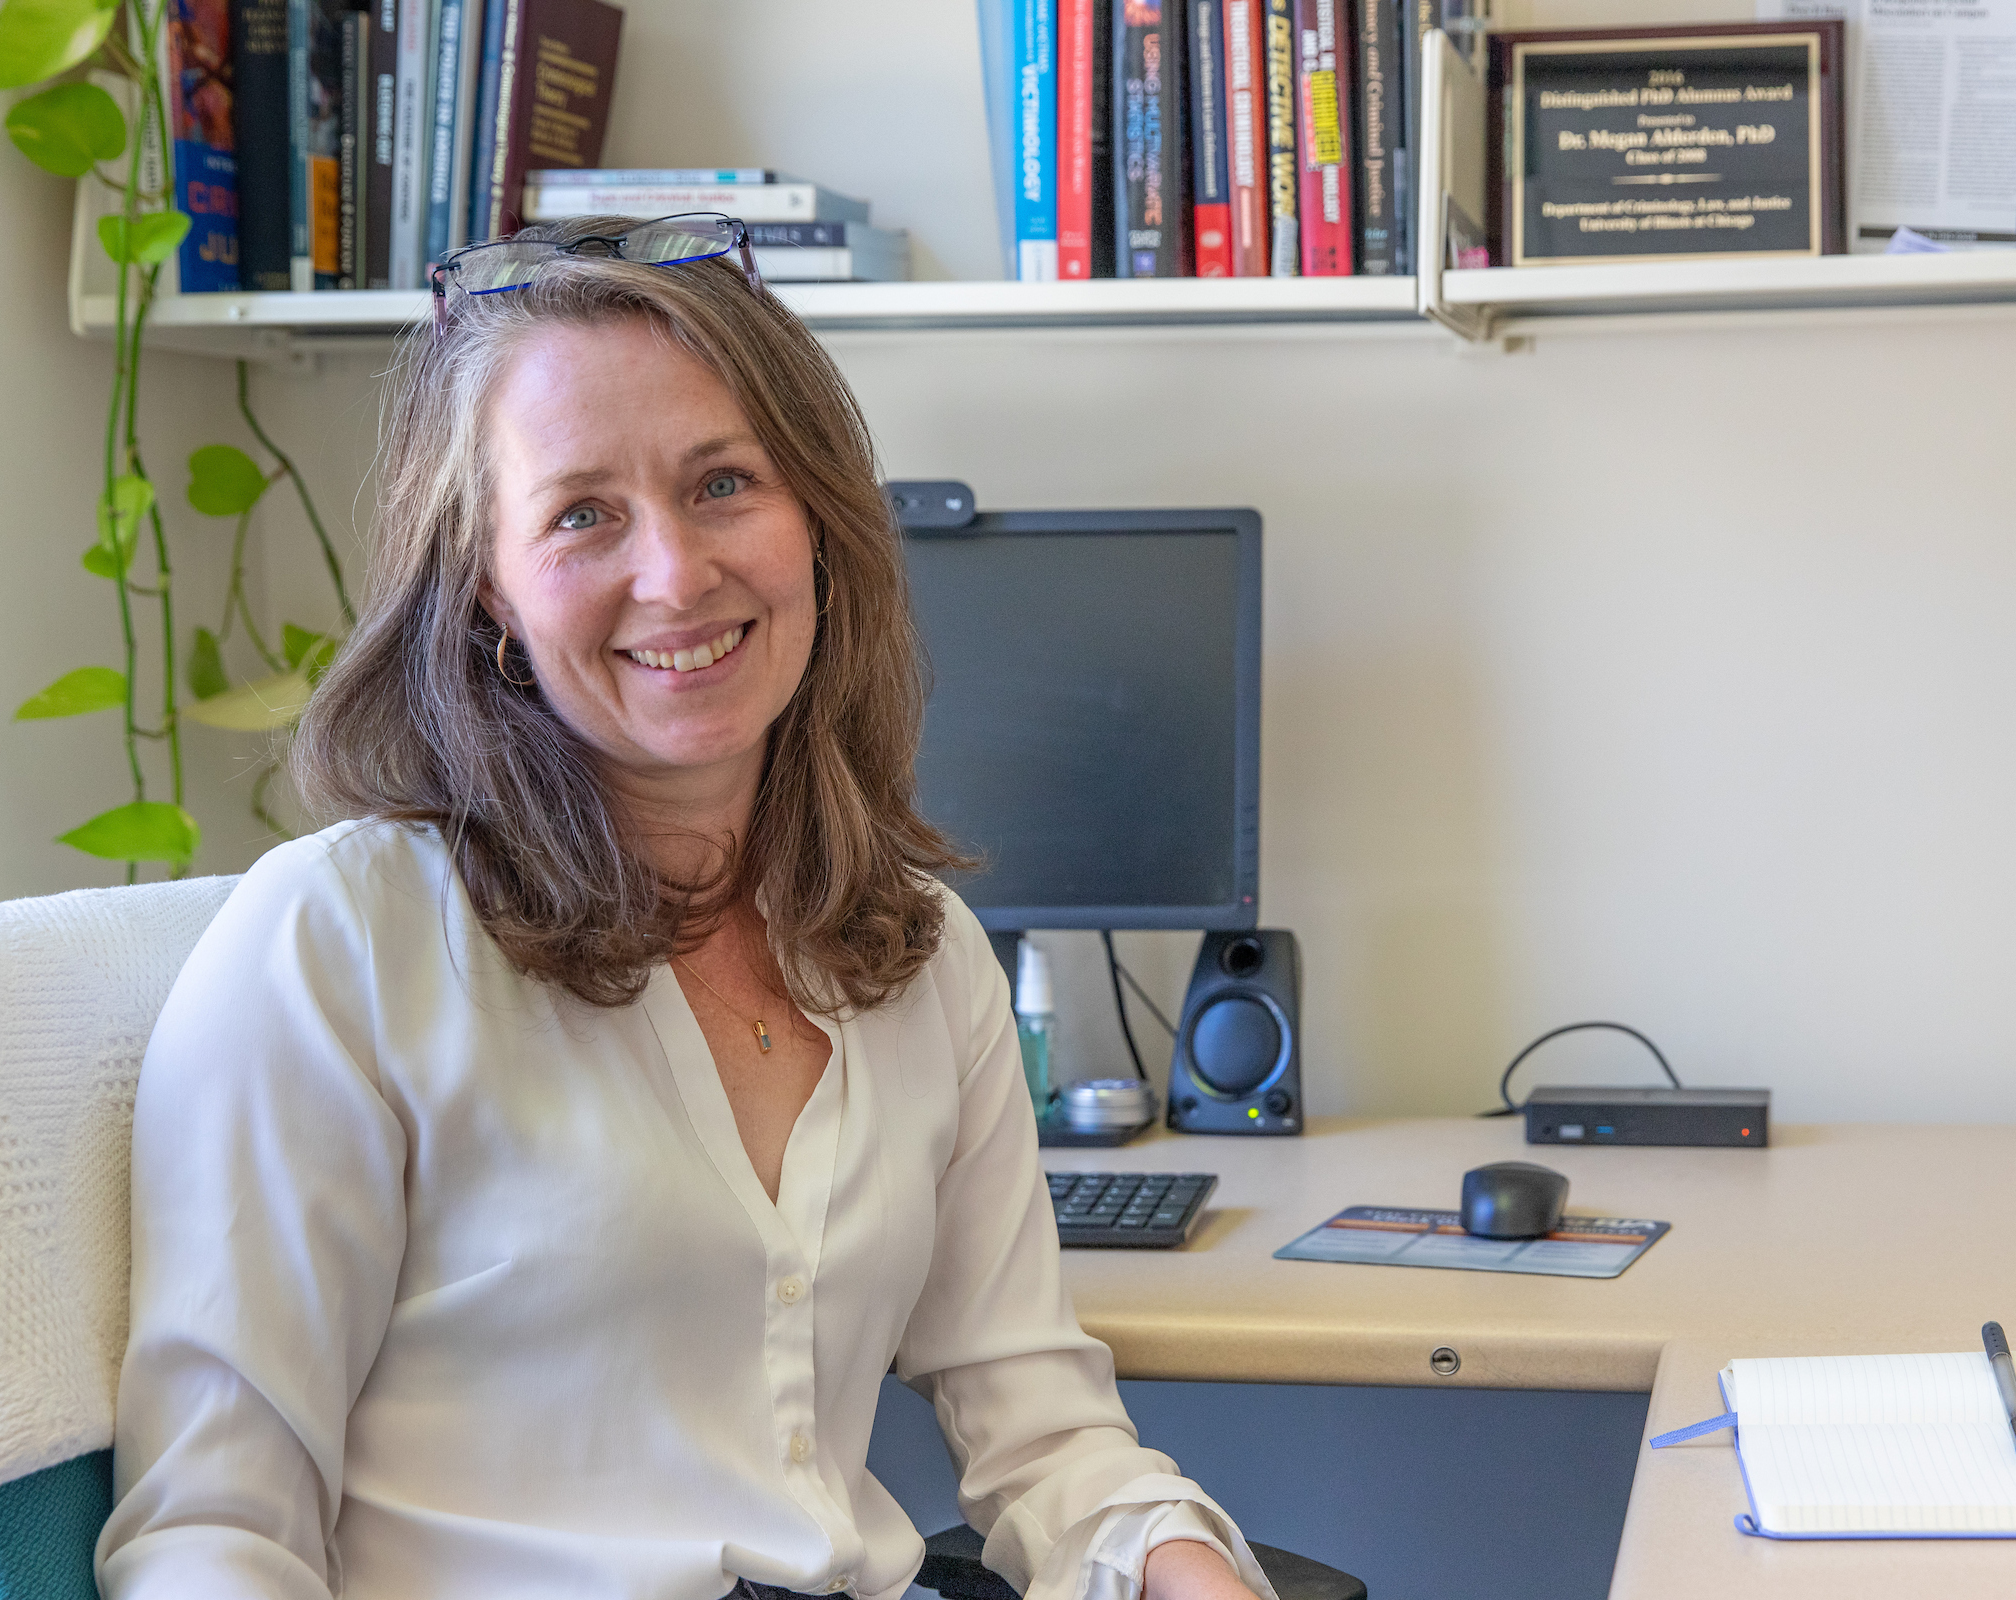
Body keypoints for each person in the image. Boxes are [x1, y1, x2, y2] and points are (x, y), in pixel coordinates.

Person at [94, 218, 1275, 1600]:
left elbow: (1045, 1435)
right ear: (488, 585)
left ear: (818, 527)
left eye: (724, 484)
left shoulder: (919, 956)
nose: (674, 572)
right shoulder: (344, 941)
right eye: (583, 512)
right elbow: (212, 1541)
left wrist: (1185, 1564)